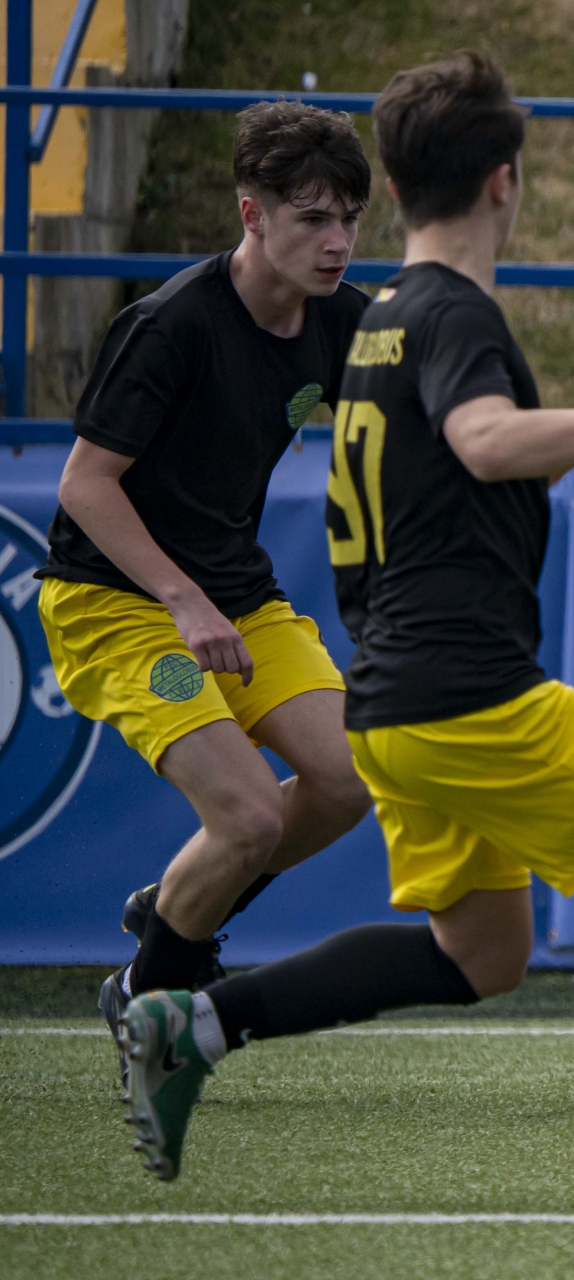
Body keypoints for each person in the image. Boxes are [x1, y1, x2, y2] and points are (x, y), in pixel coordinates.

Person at [117, 52, 574, 1203]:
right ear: (504, 180)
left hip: (392, 701)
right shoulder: (455, 313)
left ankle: (195, 1022)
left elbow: (452, 469)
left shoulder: (380, 320)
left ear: (392, 188)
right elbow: (484, 440)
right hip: (469, 690)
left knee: (483, 952)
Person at [36, 102, 376, 1050]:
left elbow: (429, 426)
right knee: (248, 815)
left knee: (351, 779)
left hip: (238, 598)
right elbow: (84, 485)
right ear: (251, 214)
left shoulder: (343, 318)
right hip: (116, 602)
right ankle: (150, 1000)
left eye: (351, 219)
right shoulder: (170, 325)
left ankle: (176, 911)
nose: (338, 241)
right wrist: (182, 600)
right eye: (313, 218)